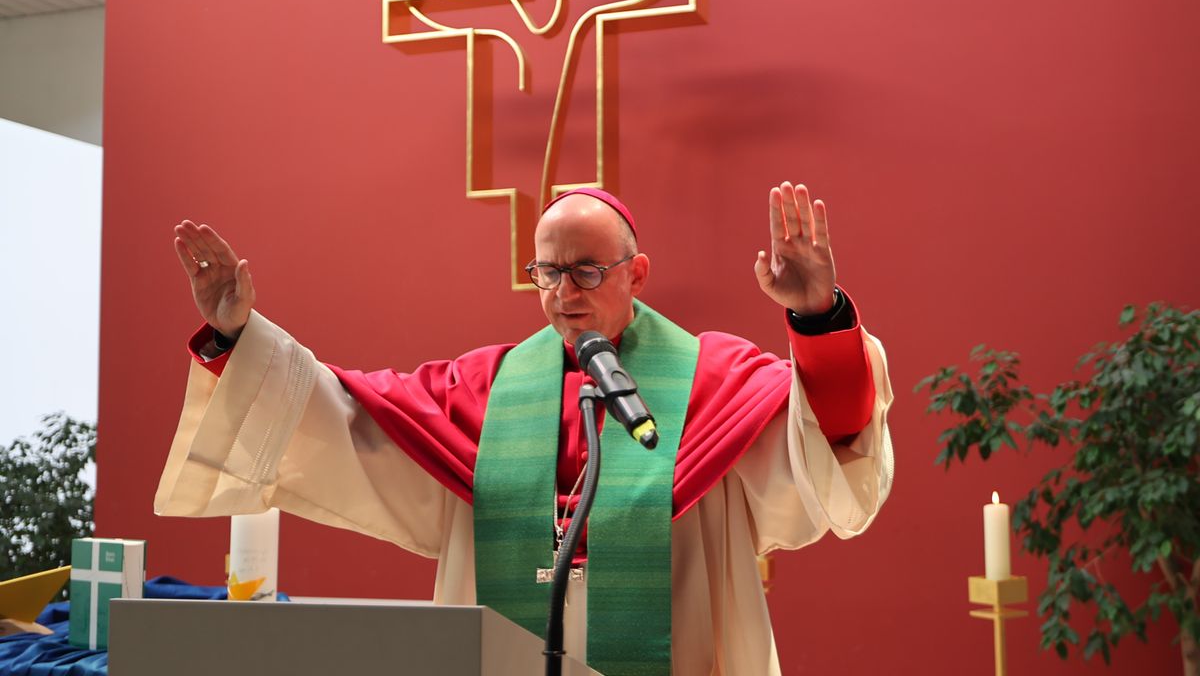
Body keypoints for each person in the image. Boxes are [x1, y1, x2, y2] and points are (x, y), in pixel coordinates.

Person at [156, 182, 895, 676]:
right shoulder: (483, 390)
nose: (562, 293)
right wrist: (238, 336)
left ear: (637, 274)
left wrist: (818, 317)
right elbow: (349, 412)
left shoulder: (711, 380)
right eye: (547, 272)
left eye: (585, 270)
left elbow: (828, 429)